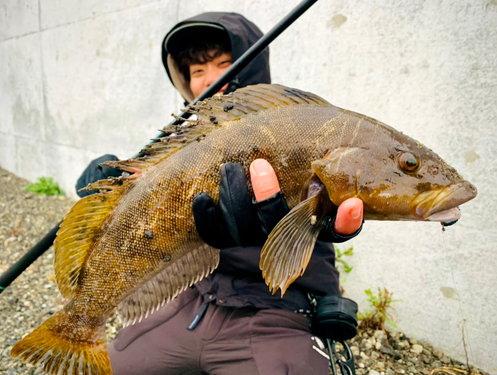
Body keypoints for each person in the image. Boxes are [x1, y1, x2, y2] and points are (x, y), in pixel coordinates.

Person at [76, 12, 364, 375]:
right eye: (197, 71)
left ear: (252, 66)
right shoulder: (181, 145)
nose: (212, 78)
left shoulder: (304, 130)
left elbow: (338, 201)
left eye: (224, 63)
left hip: (277, 310)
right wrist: (106, 182)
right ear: (187, 84)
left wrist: (320, 217)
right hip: (193, 298)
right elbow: (140, 191)